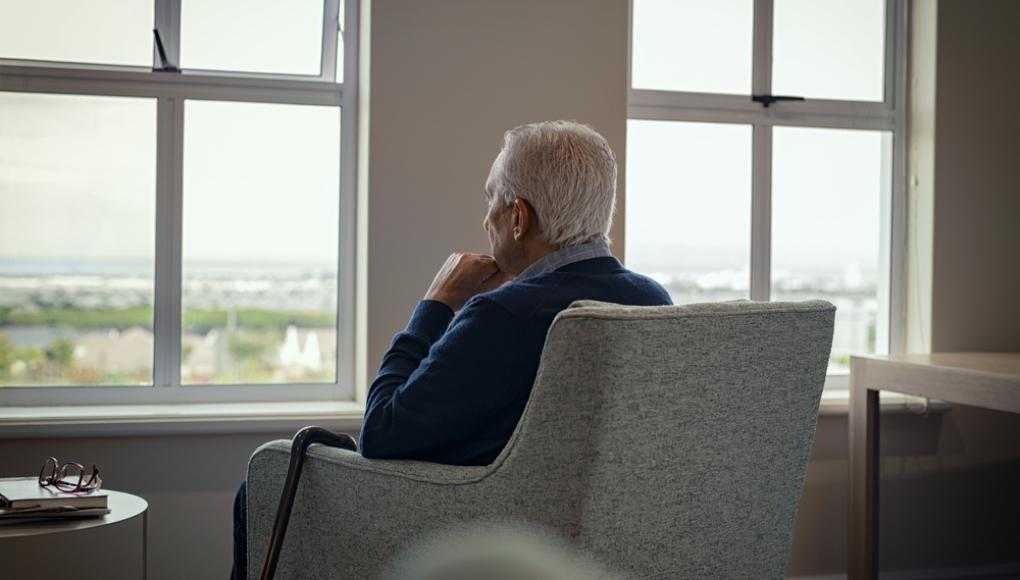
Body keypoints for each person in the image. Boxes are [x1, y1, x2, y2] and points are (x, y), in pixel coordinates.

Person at [232, 120, 670, 578]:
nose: (486, 220)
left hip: (478, 526)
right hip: (593, 539)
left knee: (265, 481)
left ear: (518, 218)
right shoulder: (654, 302)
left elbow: (382, 432)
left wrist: (436, 304)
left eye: (490, 200)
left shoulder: (504, 314)